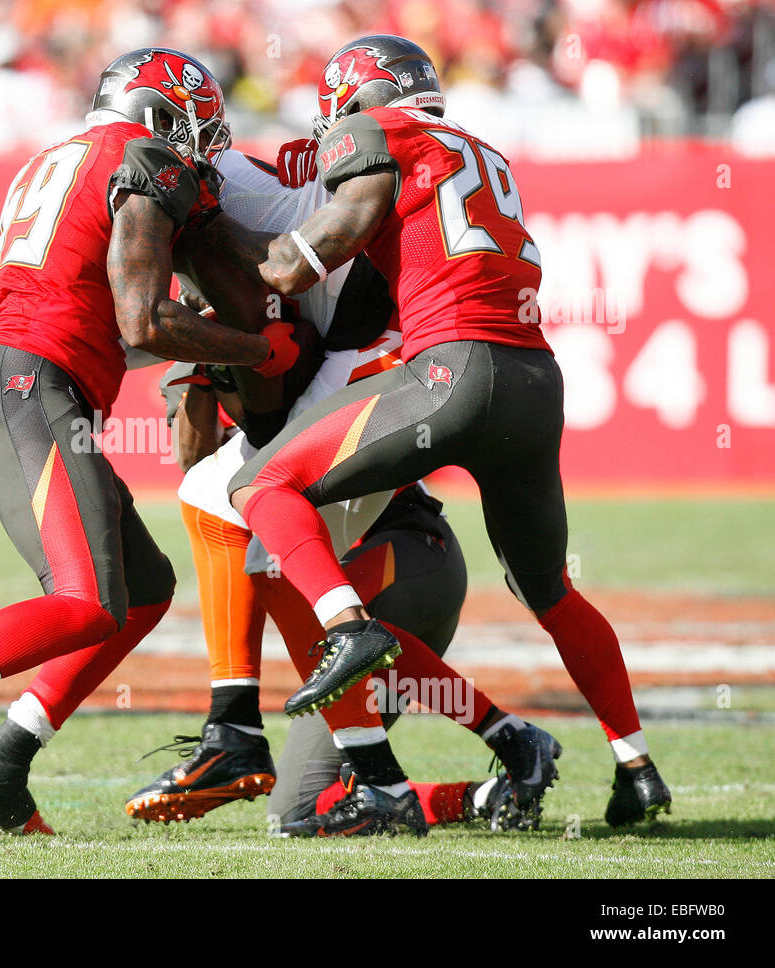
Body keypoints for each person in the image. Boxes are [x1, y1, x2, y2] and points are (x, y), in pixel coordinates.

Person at [0, 47, 308, 831]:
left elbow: (109, 318)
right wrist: (258, 351)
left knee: (143, 590)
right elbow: (143, 320)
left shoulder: (65, 157)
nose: (203, 151)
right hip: (28, 385)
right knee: (86, 599)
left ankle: (3, 760)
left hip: (24, 378)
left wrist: (207, 337)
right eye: (195, 130)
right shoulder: (145, 159)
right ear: (157, 118)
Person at [224, 35, 670, 827]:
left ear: (358, 98)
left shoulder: (375, 131)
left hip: (452, 372)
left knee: (263, 484)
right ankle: (636, 764)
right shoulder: (481, 148)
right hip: (533, 378)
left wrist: (232, 265)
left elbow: (314, 255)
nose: (331, 129)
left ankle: (348, 628)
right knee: (551, 591)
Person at [123, 144, 559, 835]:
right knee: (299, 810)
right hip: (358, 550)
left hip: (409, 550)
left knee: (251, 516)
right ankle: (491, 753)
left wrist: (236, 340)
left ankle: (243, 729)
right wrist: (208, 359)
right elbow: (197, 441)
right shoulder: (252, 238)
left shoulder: (269, 207)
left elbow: (283, 295)